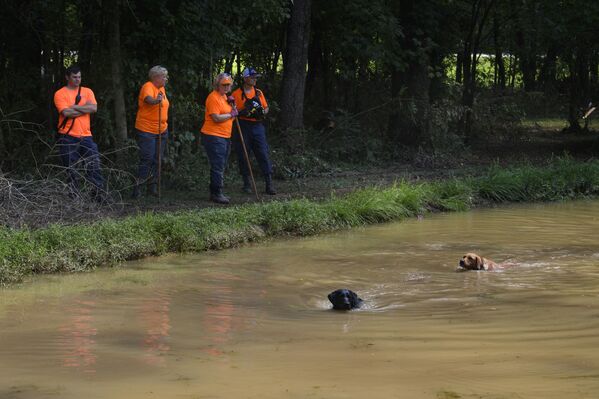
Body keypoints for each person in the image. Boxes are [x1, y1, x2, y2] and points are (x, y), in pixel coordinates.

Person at [53, 65, 105, 200]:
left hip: (86, 136)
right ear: (67, 77)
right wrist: (84, 108)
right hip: (67, 136)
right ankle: (74, 198)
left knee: (94, 166)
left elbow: (93, 108)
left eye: (79, 77)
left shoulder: (87, 91)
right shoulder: (60, 93)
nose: (77, 80)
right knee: (71, 169)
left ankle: (98, 195)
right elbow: (66, 112)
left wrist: (74, 107)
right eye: (74, 77)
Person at [231, 67, 276, 195]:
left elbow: (266, 108)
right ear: (245, 78)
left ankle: (269, 183)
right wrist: (242, 112)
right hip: (243, 126)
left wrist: (261, 112)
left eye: (256, 77)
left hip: (257, 126)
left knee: (263, 153)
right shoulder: (236, 94)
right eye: (252, 77)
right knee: (243, 154)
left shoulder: (259, 93)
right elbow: (232, 112)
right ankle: (246, 184)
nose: (255, 79)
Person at [133, 65, 170, 198]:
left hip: (161, 130)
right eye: (164, 76)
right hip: (147, 129)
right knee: (147, 158)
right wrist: (156, 101)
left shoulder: (162, 89)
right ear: (155, 77)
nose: (166, 79)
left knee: (157, 159)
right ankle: (137, 188)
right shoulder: (147, 86)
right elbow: (148, 100)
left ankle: (152, 187)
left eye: (166, 76)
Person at [200, 73, 237, 204]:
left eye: (229, 85)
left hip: (225, 136)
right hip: (214, 135)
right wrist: (231, 114)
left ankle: (215, 192)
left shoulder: (226, 97)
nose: (227, 87)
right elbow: (215, 118)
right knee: (218, 165)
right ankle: (217, 193)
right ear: (218, 85)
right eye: (224, 85)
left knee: (221, 164)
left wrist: (233, 109)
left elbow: (230, 115)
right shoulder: (213, 97)